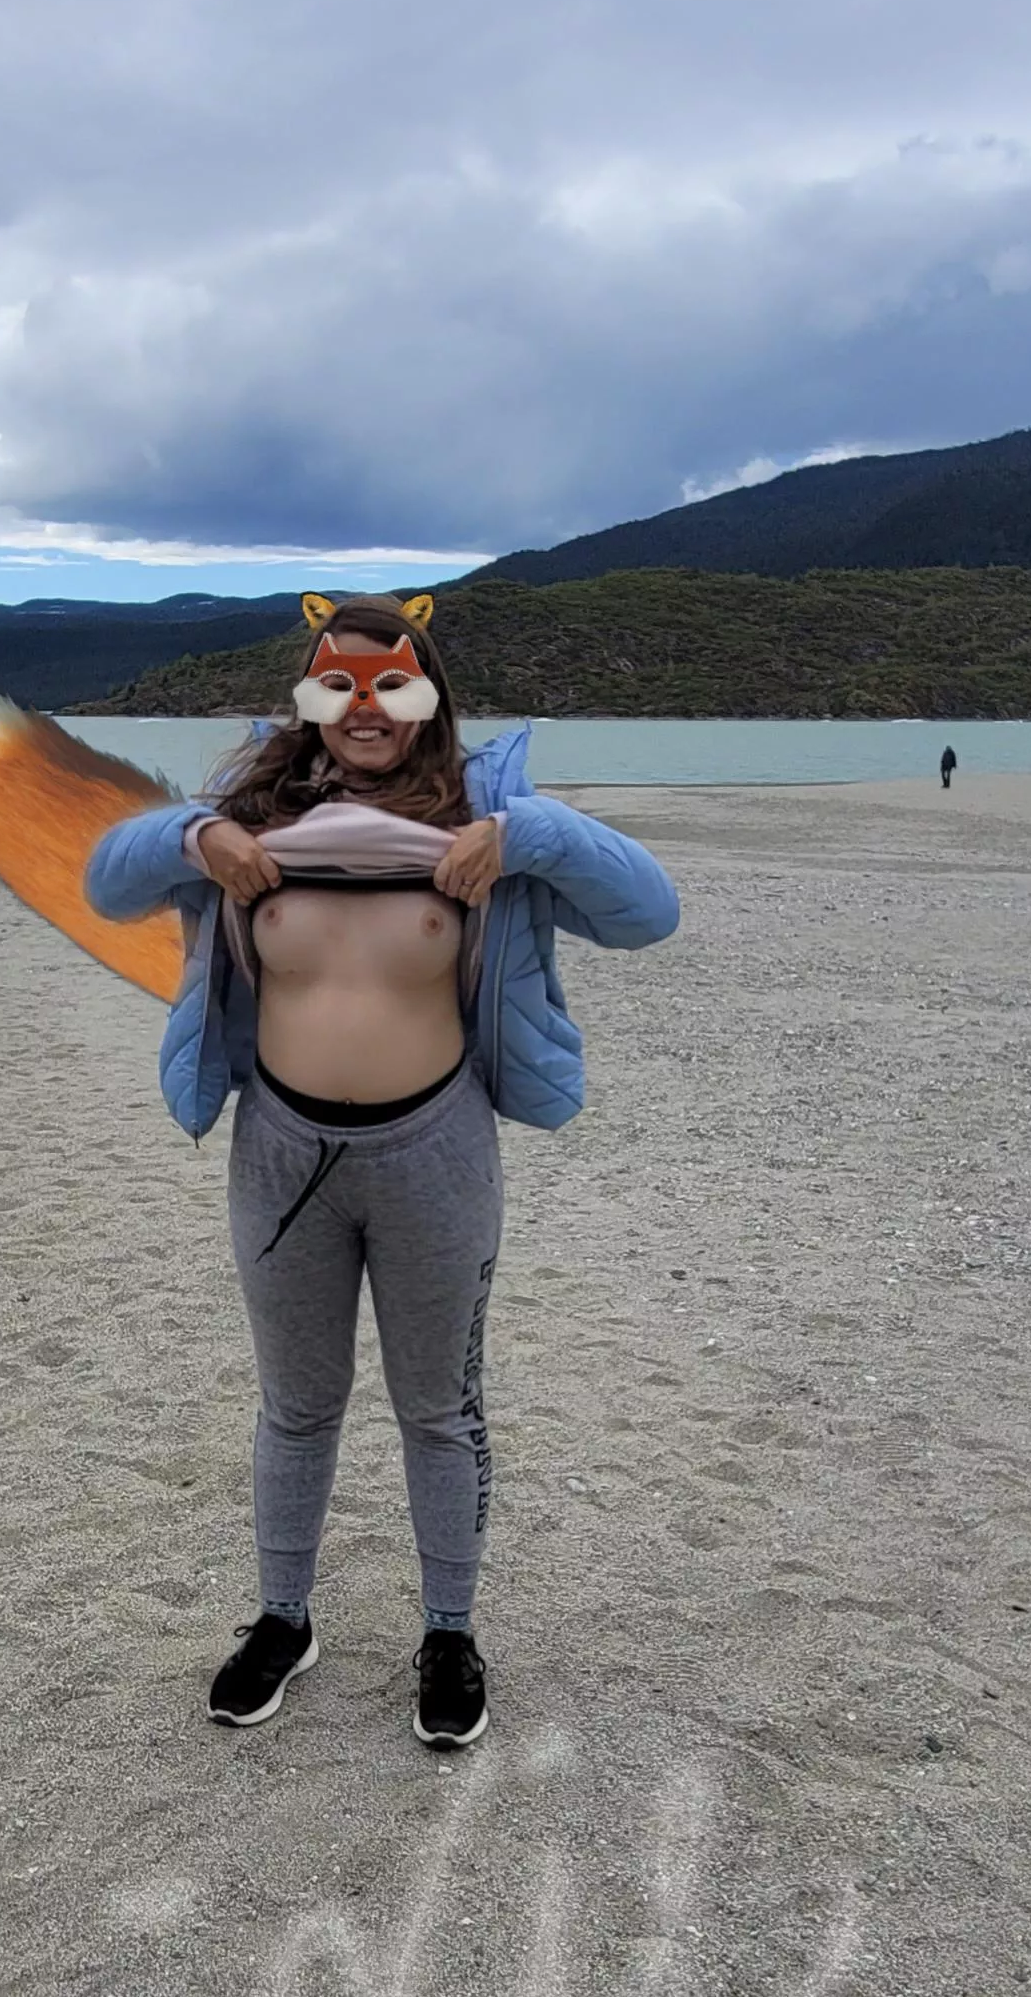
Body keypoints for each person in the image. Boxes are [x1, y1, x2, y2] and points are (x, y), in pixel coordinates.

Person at [84, 596, 680, 1753]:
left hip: (435, 1149)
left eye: (391, 683)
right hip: (282, 1152)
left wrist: (529, 839)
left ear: (430, 693)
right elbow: (107, 880)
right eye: (338, 683)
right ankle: (282, 1618)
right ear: (306, 697)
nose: (364, 706)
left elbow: (649, 912)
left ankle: (449, 1629)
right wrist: (189, 838)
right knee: (296, 1407)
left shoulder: (486, 818)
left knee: (438, 1410)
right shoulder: (246, 819)